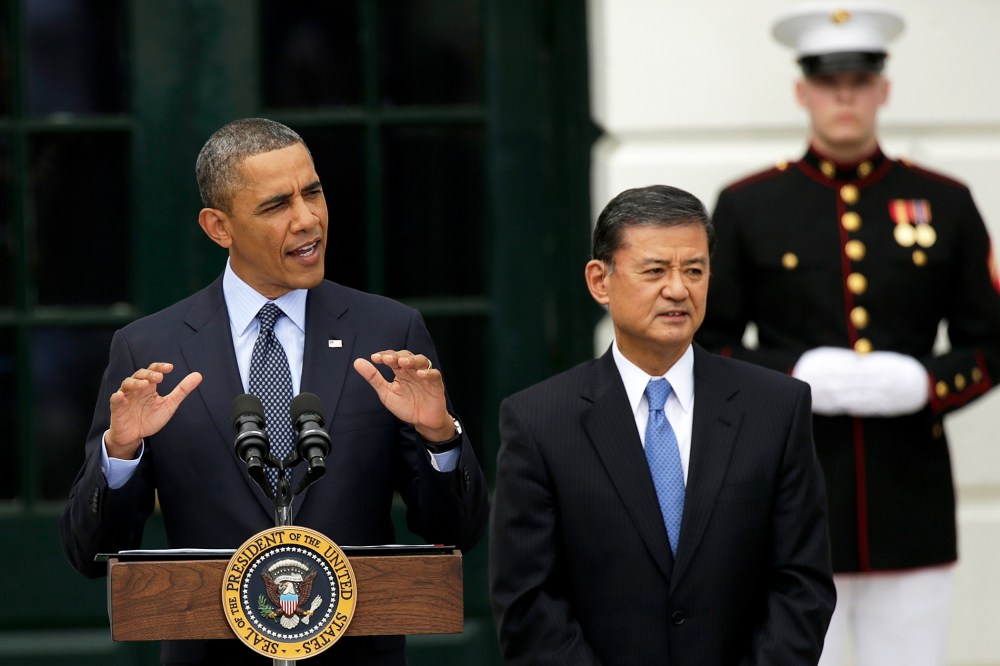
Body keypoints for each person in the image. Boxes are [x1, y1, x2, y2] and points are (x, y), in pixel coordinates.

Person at [59, 117, 489, 665]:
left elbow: (457, 531)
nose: (307, 220)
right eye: (276, 205)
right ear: (219, 227)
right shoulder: (149, 350)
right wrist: (120, 454)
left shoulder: (387, 334)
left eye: (313, 192)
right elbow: (88, 552)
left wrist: (438, 437)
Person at [696, 5, 1000, 666]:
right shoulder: (748, 205)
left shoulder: (944, 201)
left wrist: (926, 383)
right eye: (828, 81)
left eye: (859, 81)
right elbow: (706, 345)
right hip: (790, 499)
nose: (844, 96)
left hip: (910, 502)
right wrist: (791, 375)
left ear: (883, 90)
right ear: (802, 90)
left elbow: (991, 343)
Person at [489, 184, 836, 665]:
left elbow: (802, 584)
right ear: (600, 281)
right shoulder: (539, 421)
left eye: (694, 270)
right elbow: (528, 603)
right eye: (655, 271)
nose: (678, 289)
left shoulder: (776, 407)